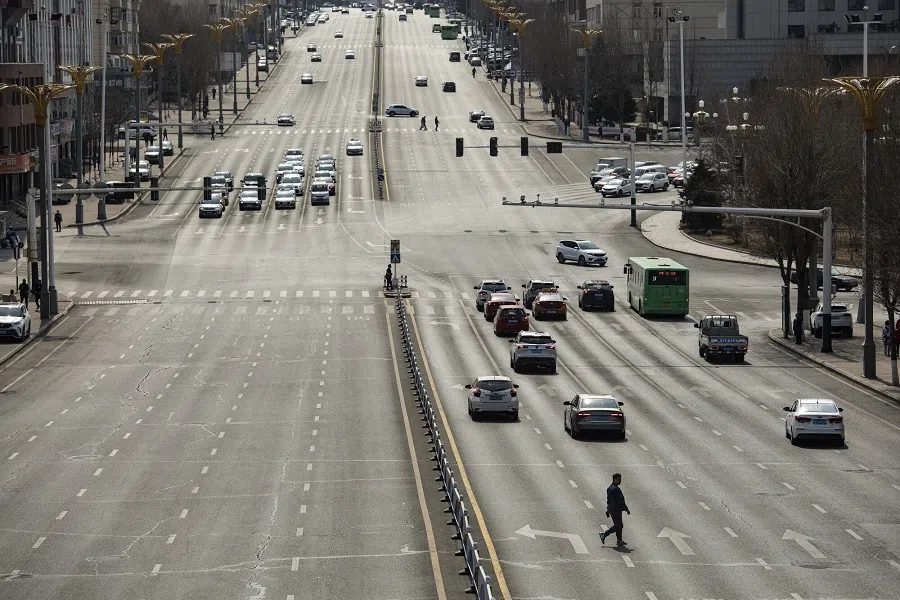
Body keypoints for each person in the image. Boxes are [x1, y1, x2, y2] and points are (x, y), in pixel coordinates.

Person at [600, 473, 629, 547]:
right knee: (618, 525)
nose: (620, 481)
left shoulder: (610, 488)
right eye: (619, 479)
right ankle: (605, 534)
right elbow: (620, 501)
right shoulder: (615, 489)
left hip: (614, 509)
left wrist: (608, 510)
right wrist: (626, 509)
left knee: (619, 525)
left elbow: (609, 501)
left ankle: (619, 540)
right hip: (616, 510)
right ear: (615, 479)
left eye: (620, 479)